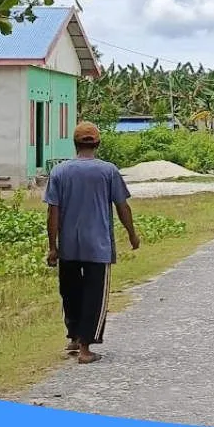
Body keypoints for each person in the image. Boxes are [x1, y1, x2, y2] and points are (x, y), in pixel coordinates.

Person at [44, 122, 140, 364]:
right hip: (99, 246)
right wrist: (132, 233)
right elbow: (122, 206)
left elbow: (52, 212)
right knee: (94, 296)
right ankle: (86, 349)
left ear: (74, 144)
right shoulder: (108, 171)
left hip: (69, 245)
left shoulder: (59, 172)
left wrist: (53, 246)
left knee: (70, 292)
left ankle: (75, 338)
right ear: (97, 144)